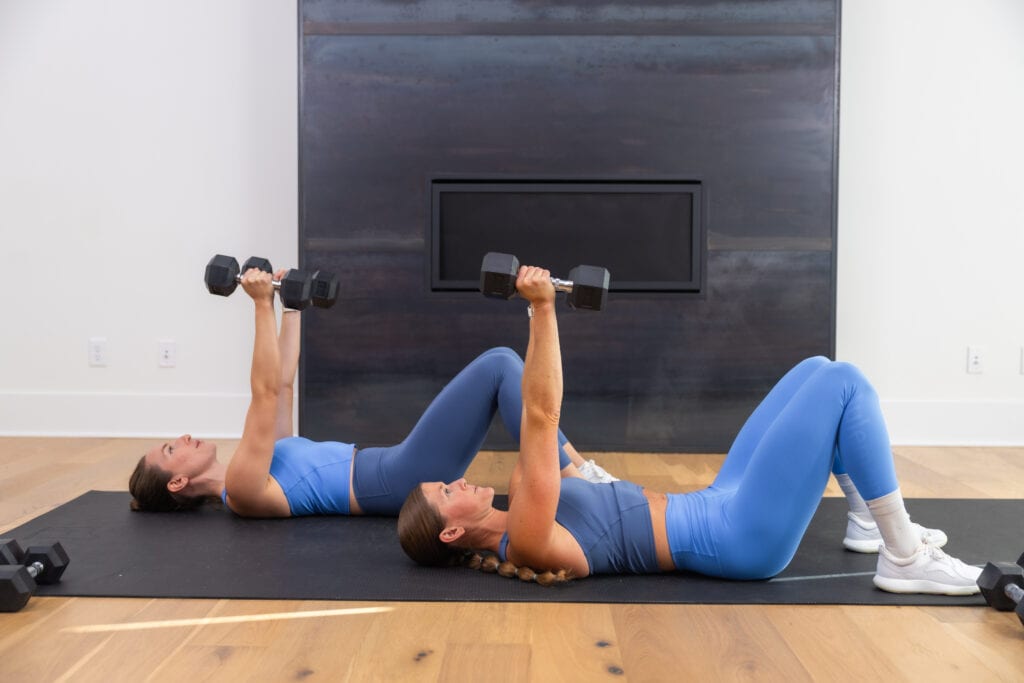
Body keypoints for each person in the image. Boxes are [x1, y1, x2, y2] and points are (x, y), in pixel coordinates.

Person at [397, 265, 982, 595]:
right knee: (845, 383)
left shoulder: (522, 493)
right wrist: (542, 309)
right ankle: (903, 555)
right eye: (446, 493)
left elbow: (539, 422)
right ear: (451, 534)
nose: (456, 481)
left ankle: (865, 521)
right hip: (737, 537)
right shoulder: (523, 536)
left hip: (713, 501)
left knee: (816, 370)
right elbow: (541, 414)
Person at [128, 266, 616, 517]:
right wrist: (258, 305)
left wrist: (290, 306)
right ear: (177, 483)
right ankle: (578, 478)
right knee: (498, 365)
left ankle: (580, 474)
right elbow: (263, 396)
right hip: (399, 478)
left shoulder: (254, 469)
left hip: (392, 465)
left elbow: (281, 384)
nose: (184, 437)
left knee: (501, 364)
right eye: (172, 449)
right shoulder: (242, 488)